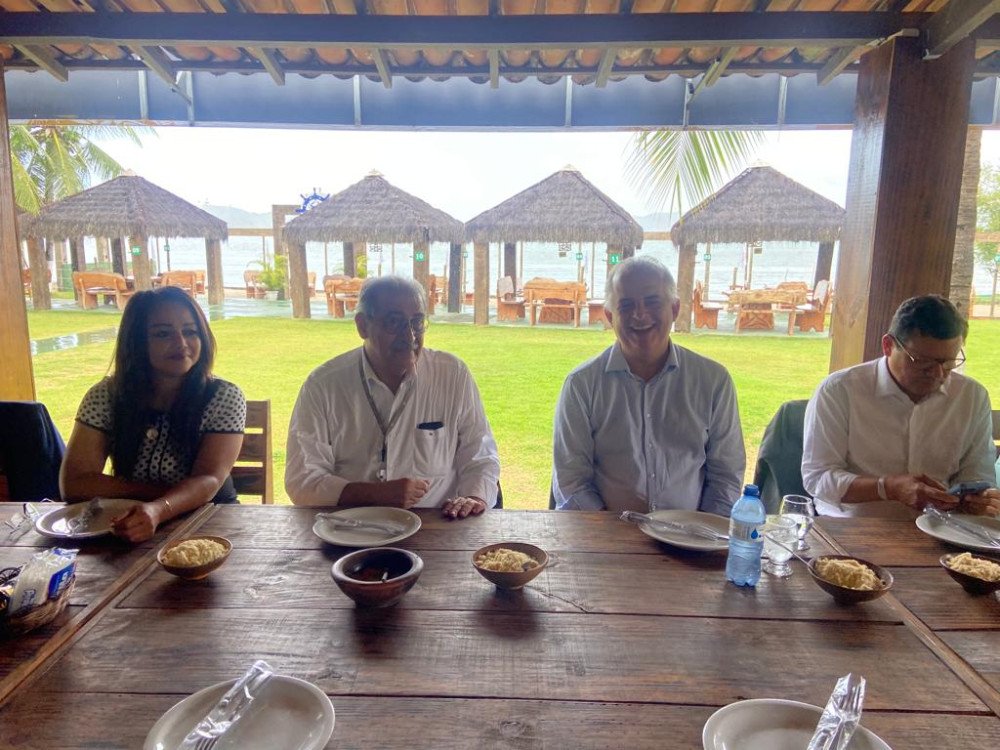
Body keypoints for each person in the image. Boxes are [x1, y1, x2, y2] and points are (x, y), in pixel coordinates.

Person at [285, 276, 500, 519]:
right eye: (394, 322)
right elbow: (302, 480)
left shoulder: (452, 374)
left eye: (417, 323)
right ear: (362, 326)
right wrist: (374, 494)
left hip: (438, 527)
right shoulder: (324, 385)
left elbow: (480, 455)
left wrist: (474, 498)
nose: (409, 335)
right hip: (351, 529)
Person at [552, 256, 745, 515]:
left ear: (674, 309)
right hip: (608, 541)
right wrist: (612, 536)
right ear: (610, 316)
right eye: (626, 305)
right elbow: (571, 480)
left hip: (691, 540)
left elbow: (726, 475)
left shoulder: (713, 381)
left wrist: (702, 534)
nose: (640, 314)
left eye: (652, 302)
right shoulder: (581, 385)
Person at [60, 286, 246, 542]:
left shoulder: (223, 397)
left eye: (190, 332)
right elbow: (75, 483)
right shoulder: (106, 395)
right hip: (129, 525)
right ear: (136, 342)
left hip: (211, 523)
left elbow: (209, 478)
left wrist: (158, 508)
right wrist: (153, 499)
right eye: (162, 334)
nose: (181, 343)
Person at [802, 294, 1000, 519]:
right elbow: (817, 477)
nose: (937, 374)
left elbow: (977, 475)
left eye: (948, 362)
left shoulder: (971, 396)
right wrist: (887, 488)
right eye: (922, 362)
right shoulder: (840, 390)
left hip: (940, 529)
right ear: (888, 346)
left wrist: (977, 499)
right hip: (853, 525)